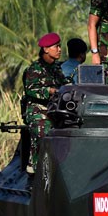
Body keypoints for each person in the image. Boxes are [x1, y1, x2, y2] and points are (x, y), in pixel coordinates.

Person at [23, 33, 72, 169]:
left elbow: (64, 83)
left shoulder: (56, 68)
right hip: (37, 109)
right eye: (56, 47)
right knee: (43, 132)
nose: (59, 49)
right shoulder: (34, 69)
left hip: (55, 109)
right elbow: (30, 90)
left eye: (59, 46)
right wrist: (50, 91)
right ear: (46, 49)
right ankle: (34, 166)